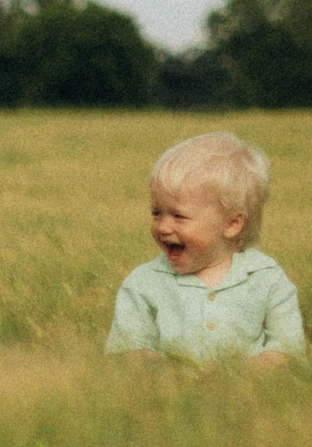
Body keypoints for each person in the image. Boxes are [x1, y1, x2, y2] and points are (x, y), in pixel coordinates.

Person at [104, 131, 301, 366]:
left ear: (232, 223)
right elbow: (128, 354)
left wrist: (253, 373)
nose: (163, 227)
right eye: (157, 213)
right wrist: (167, 373)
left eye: (179, 216)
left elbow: (288, 350)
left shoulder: (266, 278)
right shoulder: (143, 283)